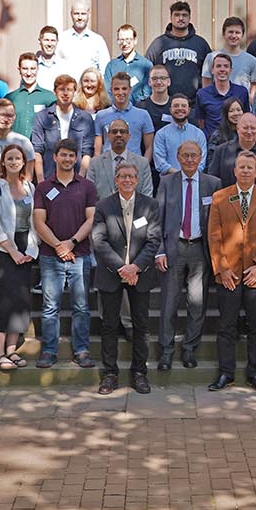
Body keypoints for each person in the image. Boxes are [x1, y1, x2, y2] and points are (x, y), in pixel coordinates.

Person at [206, 151, 256, 392]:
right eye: (242, 167)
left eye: (250, 167)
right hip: (229, 275)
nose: (246, 171)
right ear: (234, 171)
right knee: (226, 326)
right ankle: (226, 373)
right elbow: (214, 237)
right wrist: (222, 268)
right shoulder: (220, 197)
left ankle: (255, 374)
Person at [90, 161, 162, 394]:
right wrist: (122, 267)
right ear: (116, 180)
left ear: (137, 180)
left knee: (141, 325)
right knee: (110, 325)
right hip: (112, 273)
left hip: (140, 274)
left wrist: (136, 267)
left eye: (131, 176)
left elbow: (154, 239)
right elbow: (98, 240)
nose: (127, 180)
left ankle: (139, 373)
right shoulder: (103, 205)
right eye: (123, 176)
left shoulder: (150, 205)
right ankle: (110, 374)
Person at [33, 139, 98, 369]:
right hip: (50, 256)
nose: (67, 159)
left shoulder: (87, 186)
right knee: (50, 307)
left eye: (71, 155)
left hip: (80, 254)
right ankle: (49, 351)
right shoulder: (43, 187)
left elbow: (91, 219)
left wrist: (71, 243)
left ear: (76, 158)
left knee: (81, 306)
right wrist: (58, 246)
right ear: (55, 157)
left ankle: (82, 350)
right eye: (63, 155)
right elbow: (39, 222)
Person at [156, 139, 219, 370]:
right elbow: (157, 219)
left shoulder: (213, 184)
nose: (190, 160)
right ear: (178, 157)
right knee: (169, 303)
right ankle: (166, 351)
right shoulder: (166, 182)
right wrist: (159, 251)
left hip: (200, 249)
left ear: (201, 158)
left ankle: (190, 348)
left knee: (197, 303)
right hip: (174, 248)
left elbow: (219, 221)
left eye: (194, 155)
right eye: (185, 155)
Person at [0, 143, 40, 371]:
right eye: (10, 158)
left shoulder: (30, 187)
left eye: (18, 158)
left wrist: (30, 250)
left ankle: (11, 350)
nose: (14, 162)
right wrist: (12, 250)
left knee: (20, 300)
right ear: (3, 163)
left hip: (25, 248)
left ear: (24, 162)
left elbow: (35, 221)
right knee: (6, 299)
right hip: (3, 250)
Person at [32, 73, 96, 179]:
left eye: (69, 90)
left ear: (74, 92)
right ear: (55, 92)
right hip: (49, 176)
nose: (65, 93)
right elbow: (37, 151)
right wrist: (41, 180)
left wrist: (80, 179)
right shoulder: (42, 117)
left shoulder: (85, 118)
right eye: (61, 89)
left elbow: (87, 152)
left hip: (76, 176)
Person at [146, 0, 212, 98]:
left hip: (195, 102)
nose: (180, 18)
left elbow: (210, 73)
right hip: (165, 102)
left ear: (189, 18)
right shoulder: (158, 44)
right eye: (177, 15)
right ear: (171, 18)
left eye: (184, 15)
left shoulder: (201, 43)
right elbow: (146, 70)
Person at [87, 118, 155, 198]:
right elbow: (90, 195)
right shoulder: (95, 163)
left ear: (129, 136)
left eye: (122, 132)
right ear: (108, 136)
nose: (118, 135)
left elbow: (147, 195)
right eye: (114, 132)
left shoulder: (142, 163)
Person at [206, 112, 256, 185]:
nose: (249, 132)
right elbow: (213, 181)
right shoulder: (221, 151)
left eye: (253, 128)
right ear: (237, 129)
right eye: (245, 128)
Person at [151, 92, 209, 180]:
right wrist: (180, 175)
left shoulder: (198, 134)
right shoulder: (161, 134)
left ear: (189, 110)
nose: (180, 108)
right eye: (176, 106)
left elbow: (201, 162)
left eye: (183, 106)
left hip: (194, 180)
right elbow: (160, 163)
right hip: (169, 181)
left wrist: (188, 175)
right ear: (170, 109)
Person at [95, 72, 155, 156]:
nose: (120, 92)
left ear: (130, 90)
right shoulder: (101, 116)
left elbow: (149, 147)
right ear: (111, 90)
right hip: (108, 162)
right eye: (116, 89)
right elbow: (97, 150)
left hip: (134, 163)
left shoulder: (143, 115)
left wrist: (144, 163)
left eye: (124, 89)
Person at [194, 52, 249, 136]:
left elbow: (245, 117)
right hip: (211, 141)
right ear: (212, 70)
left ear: (231, 70)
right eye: (218, 66)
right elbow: (201, 122)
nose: (222, 69)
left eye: (226, 66)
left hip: (236, 140)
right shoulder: (202, 94)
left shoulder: (242, 92)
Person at [202, 15, 256, 90]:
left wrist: (251, 96)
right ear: (224, 34)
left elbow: (254, 84)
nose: (233, 36)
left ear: (242, 35)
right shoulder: (211, 57)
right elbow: (206, 84)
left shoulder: (252, 60)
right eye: (230, 32)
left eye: (237, 32)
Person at [7, 52, 56, 139]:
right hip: (15, 145)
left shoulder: (50, 97)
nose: (29, 73)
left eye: (33, 68)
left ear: (38, 69)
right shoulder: (10, 98)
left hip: (41, 146)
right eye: (25, 68)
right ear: (19, 70)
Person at [57, 0, 111, 79]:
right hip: (67, 86)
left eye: (83, 14)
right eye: (76, 13)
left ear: (89, 14)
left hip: (90, 86)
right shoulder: (61, 39)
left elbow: (105, 70)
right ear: (71, 14)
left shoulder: (98, 41)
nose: (80, 17)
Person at [104, 23, 152, 90]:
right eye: (121, 40)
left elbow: (148, 91)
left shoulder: (146, 65)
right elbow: (108, 91)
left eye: (128, 40)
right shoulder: (111, 66)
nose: (124, 44)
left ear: (135, 40)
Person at [135, 65, 176, 134]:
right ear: (149, 82)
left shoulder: (176, 106)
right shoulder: (141, 108)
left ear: (169, 82)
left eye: (163, 78)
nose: (158, 82)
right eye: (154, 78)